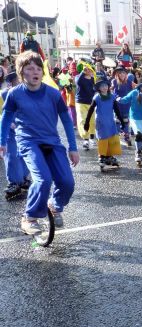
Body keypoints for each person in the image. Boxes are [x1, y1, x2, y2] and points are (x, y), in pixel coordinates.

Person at [0, 52, 79, 233]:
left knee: (67, 182)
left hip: (52, 141)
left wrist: (73, 148)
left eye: (38, 68)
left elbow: (66, 120)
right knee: (43, 179)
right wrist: (2, 141)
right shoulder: (14, 94)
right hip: (28, 142)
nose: (35, 72)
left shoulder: (53, 93)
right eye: (29, 68)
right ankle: (30, 217)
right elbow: (5, 119)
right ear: (22, 73)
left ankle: (54, 205)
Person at [1, 71, 31, 200]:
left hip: (24, 130)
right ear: (11, 82)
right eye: (18, 80)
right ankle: (13, 182)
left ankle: (23, 178)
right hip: (9, 130)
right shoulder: (4, 94)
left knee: (24, 154)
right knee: (12, 155)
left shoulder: (28, 93)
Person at [83, 78, 125, 169]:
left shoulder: (112, 96)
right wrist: (87, 122)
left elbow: (116, 109)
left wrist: (121, 120)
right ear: (98, 88)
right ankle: (102, 156)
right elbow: (90, 110)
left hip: (110, 121)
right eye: (102, 86)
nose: (105, 87)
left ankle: (109, 155)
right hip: (101, 122)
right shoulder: (97, 97)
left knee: (111, 138)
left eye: (106, 85)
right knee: (103, 138)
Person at [75, 62, 96, 150]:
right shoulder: (79, 77)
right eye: (86, 69)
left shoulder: (92, 79)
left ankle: (91, 137)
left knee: (92, 120)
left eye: (89, 69)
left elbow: (93, 89)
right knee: (82, 120)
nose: (88, 71)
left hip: (90, 102)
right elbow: (78, 82)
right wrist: (82, 72)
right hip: (81, 102)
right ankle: (85, 139)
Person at [111, 66, 134, 146]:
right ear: (117, 74)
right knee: (117, 121)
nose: (122, 74)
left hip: (126, 104)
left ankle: (126, 136)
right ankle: (116, 138)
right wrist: (117, 97)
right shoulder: (114, 81)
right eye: (120, 73)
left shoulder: (129, 82)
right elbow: (113, 92)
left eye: (123, 73)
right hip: (118, 104)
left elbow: (132, 91)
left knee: (125, 121)